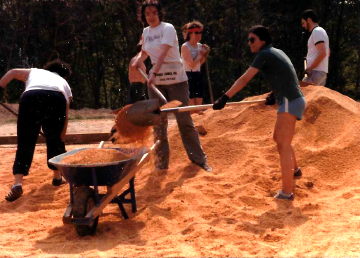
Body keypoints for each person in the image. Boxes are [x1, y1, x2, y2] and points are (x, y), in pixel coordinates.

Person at [213, 25, 305, 200]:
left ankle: (286, 193)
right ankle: (296, 171)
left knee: (283, 145)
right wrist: (273, 94)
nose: (249, 43)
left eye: (252, 39)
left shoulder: (264, 54)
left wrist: (225, 97)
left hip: (288, 100)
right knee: (280, 138)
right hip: (292, 99)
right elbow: (287, 73)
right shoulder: (275, 52)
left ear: (262, 41)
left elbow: (244, 79)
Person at [132, 0, 212, 172]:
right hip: (157, 84)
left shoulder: (167, 28)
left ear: (159, 13)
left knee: (184, 120)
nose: (151, 17)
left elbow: (162, 53)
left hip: (176, 79)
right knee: (158, 124)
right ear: (143, 16)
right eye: (147, 14)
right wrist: (138, 60)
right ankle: (161, 165)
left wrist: (152, 73)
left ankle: (199, 159)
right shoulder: (145, 32)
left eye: (154, 13)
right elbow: (145, 52)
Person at [0, 59, 73, 202]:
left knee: (25, 142)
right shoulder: (64, 84)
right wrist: (61, 136)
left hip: (30, 97)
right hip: (56, 98)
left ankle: (17, 184)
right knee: (54, 141)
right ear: (63, 75)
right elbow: (66, 112)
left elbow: (13, 72)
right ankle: (57, 177)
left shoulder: (36, 72)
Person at [181, 21, 210, 109]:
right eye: (196, 32)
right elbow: (192, 64)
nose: (198, 35)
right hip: (187, 76)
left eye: (200, 32)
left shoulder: (200, 46)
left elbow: (199, 64)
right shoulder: (185, 46)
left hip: (198, 75)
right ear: (190, 34)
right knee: (191, 107)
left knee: (198, 106)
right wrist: (201, 54)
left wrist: (205, 54)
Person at [300, 9, 330, 87]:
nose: (303, 25)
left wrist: (310, 68)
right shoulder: (321, 31)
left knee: (301, 96)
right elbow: (328, 52)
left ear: (309, 20)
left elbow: (323, 53)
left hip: (315, 73)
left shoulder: (317, 31)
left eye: (303, 22)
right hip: (320, 73)